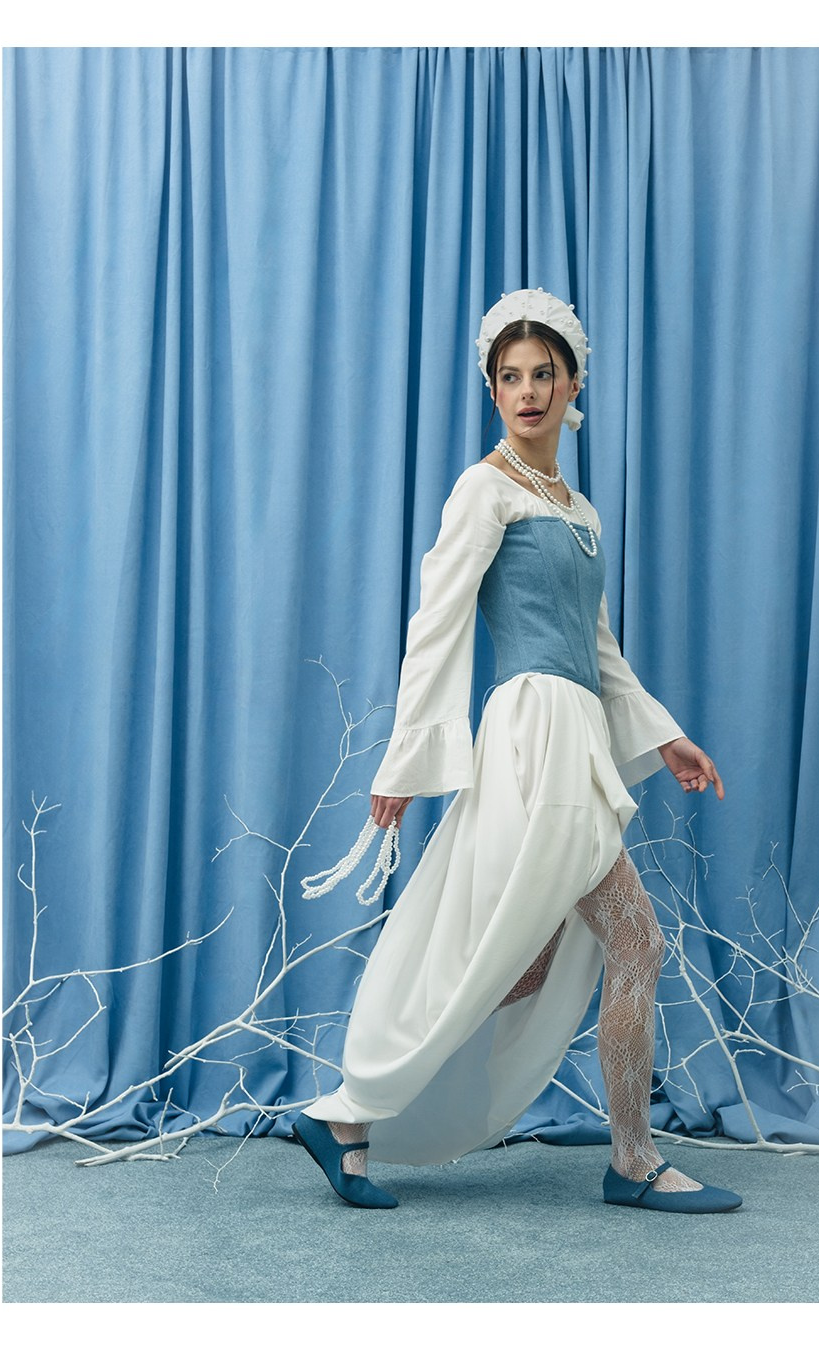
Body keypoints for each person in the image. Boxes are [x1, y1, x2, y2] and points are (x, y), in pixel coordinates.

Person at [293, 289, 741, 1214]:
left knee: (521, 961)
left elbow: (596, 646)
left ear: (573, 385)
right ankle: (631, 1163)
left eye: (544, 374)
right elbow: (437, 624)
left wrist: (666, 736)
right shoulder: (484, 489)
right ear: (493, 391)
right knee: (633, 941)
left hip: (577, 739)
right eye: (510, 377)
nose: (528, 391)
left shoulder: (579, 510)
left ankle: (351, 1118)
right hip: (534, 743)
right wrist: (405, 764)